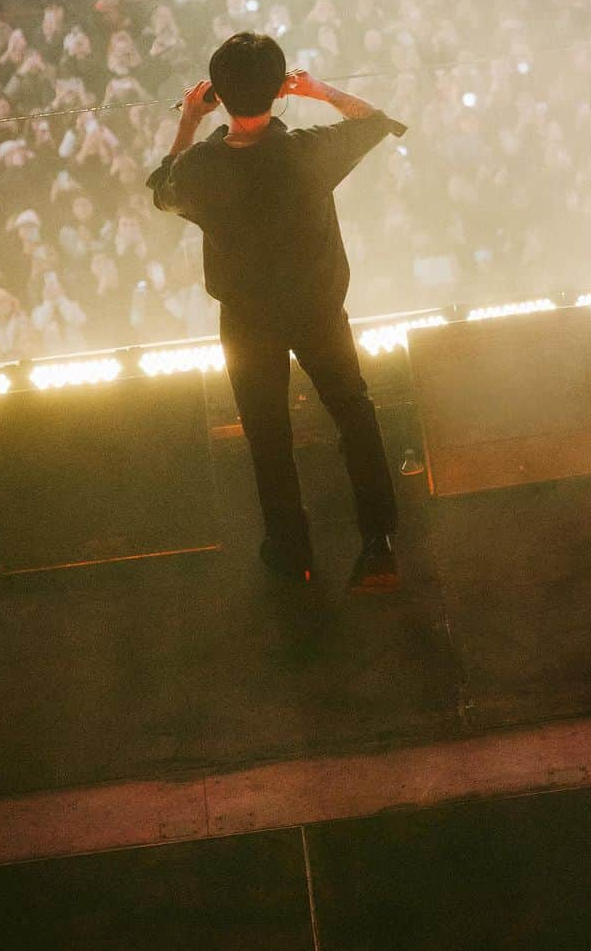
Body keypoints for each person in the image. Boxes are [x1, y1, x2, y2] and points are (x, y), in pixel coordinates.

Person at [147, 34, 405, 588]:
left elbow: (162, 189)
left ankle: (292, 553)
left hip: (247, 322)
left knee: (268, 435)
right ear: (280, 88)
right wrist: (319, 90)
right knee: (353, 413)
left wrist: (190, 120)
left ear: (216, 92)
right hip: (317, 309)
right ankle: (379, 542)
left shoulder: (201, 169)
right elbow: (378, 120)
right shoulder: (308, 152)